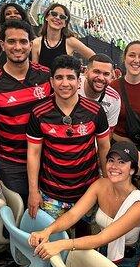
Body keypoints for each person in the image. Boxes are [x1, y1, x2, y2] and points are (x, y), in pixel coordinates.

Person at [29, 141, 140, 267]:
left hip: (127, 258)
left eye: (122, 162)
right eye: (111, 160)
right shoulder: (100, 185)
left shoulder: (139, 204)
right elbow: (73, 214)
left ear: (132, 169)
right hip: (102, 250)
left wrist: (61, 244)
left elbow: (102, 237)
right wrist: (47, 231)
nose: (114, 166)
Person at [27, 55, 111, 219]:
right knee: (53, 240)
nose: (65, 83)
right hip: (51, 195)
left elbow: (104, 147)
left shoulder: (95, 111)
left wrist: (107, 185)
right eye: (59, 77)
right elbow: (33, 153)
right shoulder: (39, 113)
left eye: (70, 78)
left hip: (88, 192)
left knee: (83, 239)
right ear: (51, 82)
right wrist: (33, 191)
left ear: (79, 81)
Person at [0, 19, 51, 203]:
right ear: (2, 45)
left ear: (30, 44)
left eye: (23, 41)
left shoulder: (46, 75)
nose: (17, 47)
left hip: (47, 159)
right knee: (21, 212)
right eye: (11, 41)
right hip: (12, 164)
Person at [110, 40, 140, 145]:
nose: (136, 60)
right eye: (132, 55)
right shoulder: (113, 87)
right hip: (116, 147)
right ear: (124, 58)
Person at [32, 3, 95, 70]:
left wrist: (87, 73)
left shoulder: (71, 41)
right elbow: (34, 71)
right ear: (47, 17)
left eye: (62, 17)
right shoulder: (36, 43)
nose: (57, 18)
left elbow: (94, 57)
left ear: (65, 24)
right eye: (54, 14)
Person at [78, 53, 121, 131]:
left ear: (112, 76)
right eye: (96, 72)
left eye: (106, 74)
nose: (101, 78)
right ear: (86, 72)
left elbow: (108, 133)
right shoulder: (73, 86)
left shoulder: (114, 98)